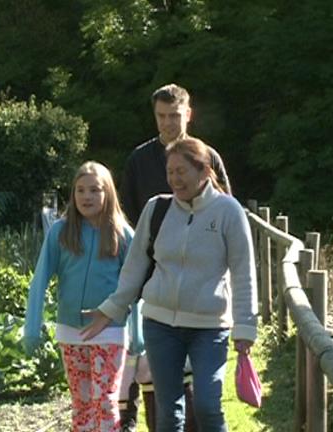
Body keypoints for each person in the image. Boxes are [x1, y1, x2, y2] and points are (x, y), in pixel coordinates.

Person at [82, 137, 258, 432]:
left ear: (203, 171)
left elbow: (244, 273)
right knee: (168, 411)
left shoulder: (229, 212)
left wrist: (245, 328)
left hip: (209, 326)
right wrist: (111, 309)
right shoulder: (157, 209)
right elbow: (134, 267)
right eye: (170, 171)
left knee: (207, 405)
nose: (175, 179)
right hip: (160, 324)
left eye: (182, 171)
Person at [117, 83, 232, 432]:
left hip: (202, 286)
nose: (167, 123)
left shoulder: (207, 158)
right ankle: (135, 419)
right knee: (152, 368)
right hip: (154, 280)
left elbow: (227, 213)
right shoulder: (139, 160)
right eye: (161, 116)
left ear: (188, 115)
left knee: (201, 383)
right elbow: (127, 215)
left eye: (174, 116)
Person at [24, 161, 134, 432]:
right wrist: (32, 328)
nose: (87, 197)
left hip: (110, 330)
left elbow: (135, 284)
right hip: (70, 332)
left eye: (95, 190)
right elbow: (39, 280)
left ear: (108, 193)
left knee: (106, 402)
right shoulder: (60, 232)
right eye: (80, 190)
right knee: (82, 405)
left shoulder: (122, 233)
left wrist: (138, 331)